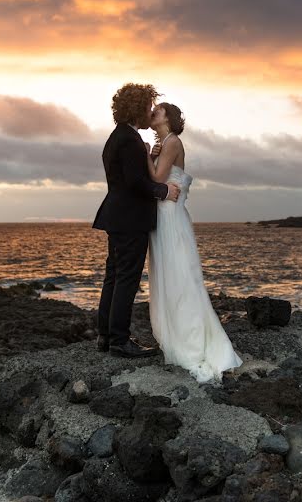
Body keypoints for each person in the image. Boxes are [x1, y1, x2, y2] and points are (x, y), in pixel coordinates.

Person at [145, 102, 243, 382]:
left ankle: (190, 342)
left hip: (170, 219)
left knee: (179, 279)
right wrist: (152, 156)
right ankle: (176, 337)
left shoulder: (173, 142)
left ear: (169, 118)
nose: (154, 112)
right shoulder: (164, 144)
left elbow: (158, 179)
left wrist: (145, 158)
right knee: (168, 277)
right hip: (163, 216)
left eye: (159, 109)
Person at [92, 83, 181, 358]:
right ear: (136, 108)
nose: (149, 111)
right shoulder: (129, 140)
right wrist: (164, 190)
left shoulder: (116, 137)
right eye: (146, 106)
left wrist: (148, 160)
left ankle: (106, 337)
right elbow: (135, 183)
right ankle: (119, 340)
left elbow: (127, 177)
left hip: (116, 216)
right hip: (130, 219)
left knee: (114, 276)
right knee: (126, 279)